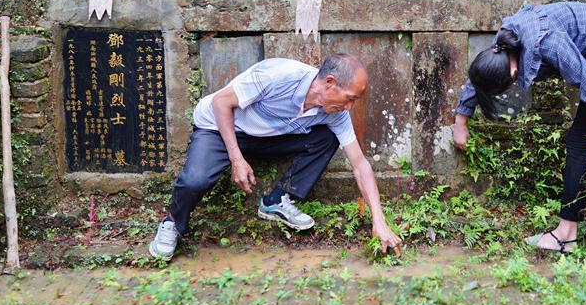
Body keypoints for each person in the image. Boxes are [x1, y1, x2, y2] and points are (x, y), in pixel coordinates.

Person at [148, 53, 403, 260]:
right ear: (329, 83)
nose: (349, 107)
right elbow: (221, 103)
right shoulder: (278, 75)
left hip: (267, 137)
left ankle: (276, 201)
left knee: (327, 137)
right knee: (195, 180)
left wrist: (379, 222)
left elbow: (360, 165)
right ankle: (172, 223)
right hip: (220, 127)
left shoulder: (335, 113)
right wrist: (236, 158)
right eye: (349, 99)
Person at [452, 2, 586, 253]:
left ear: (514, 71)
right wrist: (461, 119)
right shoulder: (504, 44)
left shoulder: (549, 43)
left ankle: (566, 235)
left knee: (580, 142)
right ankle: (568, 231)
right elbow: (481, 74)